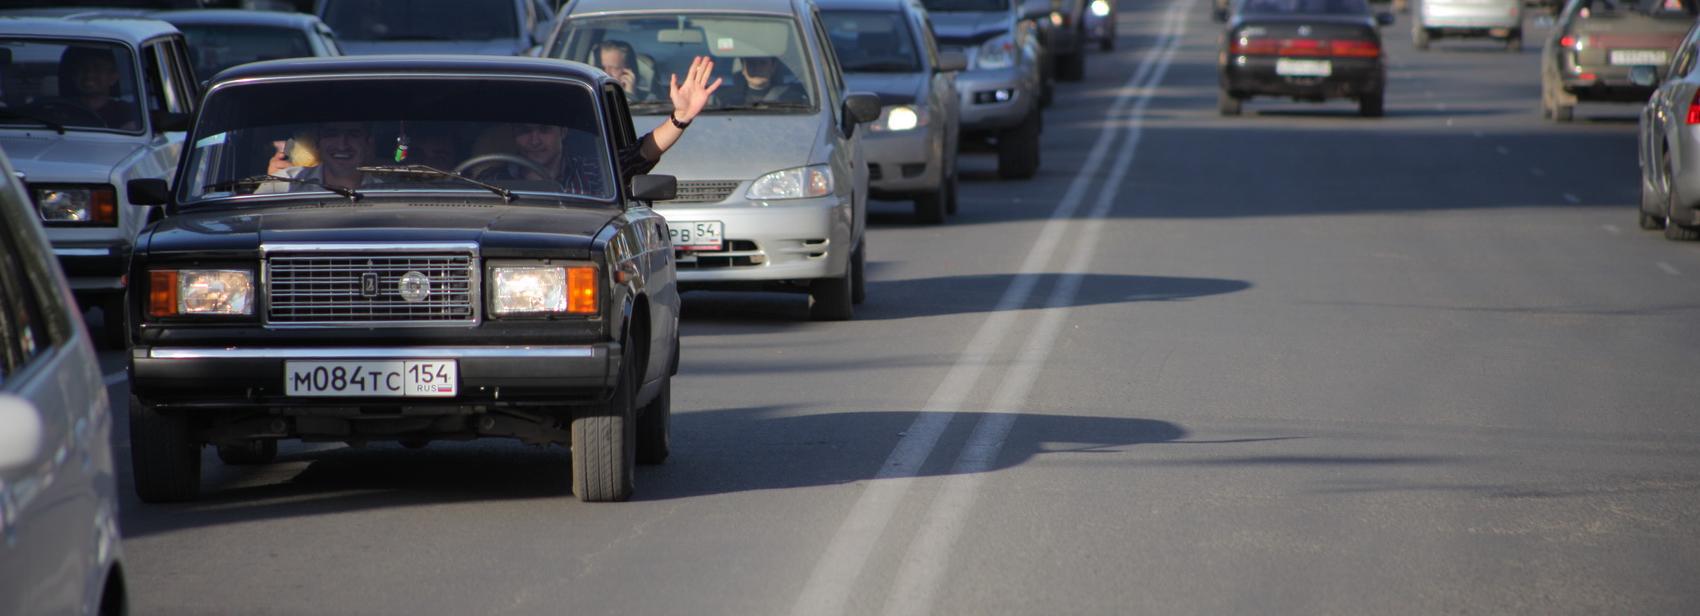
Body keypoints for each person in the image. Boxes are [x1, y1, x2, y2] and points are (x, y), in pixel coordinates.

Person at [482, 55, 721, 194]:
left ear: (562, 132)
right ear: (513, 135)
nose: (534, 140)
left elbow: (643, 153)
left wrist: (680, 117)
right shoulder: (493, 181)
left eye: (544, 130)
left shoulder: (595, 173)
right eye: (524, 132)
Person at [256, 122, 371, 193]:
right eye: (331, 134)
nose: (342, 146)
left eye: (353, 135)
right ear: (317, 142)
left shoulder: (383, 187)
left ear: (368, 143)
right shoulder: (282, 184)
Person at [59, 47, 138, 130]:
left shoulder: (128, 113)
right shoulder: (59, 111)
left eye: (97, 68)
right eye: (83, 68)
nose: (89, 74)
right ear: (74, 76)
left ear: (113, 77)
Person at [716, 56, 806, 106]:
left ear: (773, 67)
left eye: (762, 63)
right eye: (752, 63)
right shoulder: (725, 100)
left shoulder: (792, 100)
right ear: (743, 69)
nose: (757, 68)